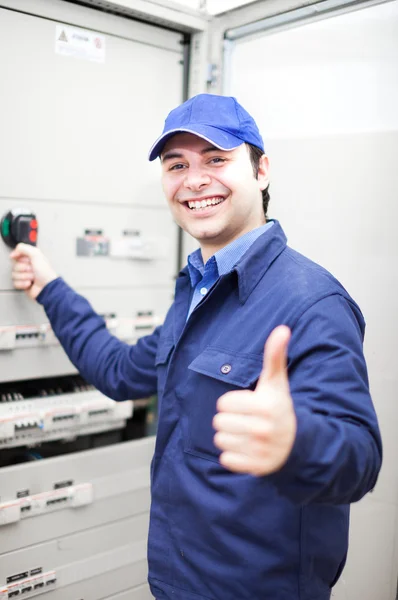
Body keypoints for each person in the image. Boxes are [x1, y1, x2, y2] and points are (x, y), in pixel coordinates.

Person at [10, 94, 382, 600]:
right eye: (177, 165)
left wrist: (296, 442)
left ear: (262, 170)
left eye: (216, 159)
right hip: (175, 582)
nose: (195, 179)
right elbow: (120, 371)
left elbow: (359, 456)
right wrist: (49, 287)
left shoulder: (311, 302)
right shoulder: (196, 291)